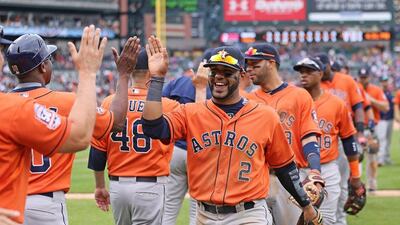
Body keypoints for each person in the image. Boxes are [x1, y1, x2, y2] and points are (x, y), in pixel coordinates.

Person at [141, 36, 322, 225]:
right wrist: (157, 79)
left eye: (227, 72)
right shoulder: (191, 112)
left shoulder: (265, 116)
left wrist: (306, 206)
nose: (219, 76)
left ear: (241, 75)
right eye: (214, 71)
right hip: (205, 215)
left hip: (248, 215)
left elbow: (285, 167)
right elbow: (152, 128)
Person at [6, 32, 141, 225]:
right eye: (49, 59)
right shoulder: (68, 101)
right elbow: (117, 123)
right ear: (43, 66)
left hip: (8, 205)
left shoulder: (4, 105)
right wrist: (124, 75)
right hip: (46, 205)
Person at [0, 25, 107, 224]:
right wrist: (87, 73)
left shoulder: (10, 102)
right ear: (42, 66)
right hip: (43, 204)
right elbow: (81, 136)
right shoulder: (12, 107)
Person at [88, 48, 181, 225]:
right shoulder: (168, 105)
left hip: (118, 187)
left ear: (128, 69)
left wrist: (100, 186)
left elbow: (98, 151)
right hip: (151, 185)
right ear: (151, 70)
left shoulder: (110, 102)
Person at [244, 44, 323, 225]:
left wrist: (315, 169)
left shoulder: (299, 96)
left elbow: (309, 137)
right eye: (248, 64)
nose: (249, 69)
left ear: (271, 63)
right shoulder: (247, 101)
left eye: (255, 64)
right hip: (256, 179)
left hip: (290, 180)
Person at [294, 57, 364, 224]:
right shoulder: (292, 101)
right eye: (301, 72)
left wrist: (355, 175)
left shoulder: (337, 104)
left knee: (326, 221)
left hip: (327, 169)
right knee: (293, 221)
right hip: (297, 170)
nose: (303, 75)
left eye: (309, 71)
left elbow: (348, 142)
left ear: (320, 74)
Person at [161, 49, 212, 225]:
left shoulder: (178, 82)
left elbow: (161, 105)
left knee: (168, 206)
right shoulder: (217, 87)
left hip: (176, 150)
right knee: (197, 207)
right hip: (200, 151)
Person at [314, 53, 365, 225]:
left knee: (343, 184)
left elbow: (358, 106)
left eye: (323, 67)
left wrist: (361, 133)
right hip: (320, 138)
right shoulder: (313, 83)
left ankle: (339, 220)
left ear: (329, 65)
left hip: (343, 137)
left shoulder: (347, 80)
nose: (320, 70)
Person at [358, 67, 389, 192]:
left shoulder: (376, 90)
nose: (363, 79)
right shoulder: (355, 89)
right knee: (357, 158)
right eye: (361, 77)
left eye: (365, 77)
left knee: (372, 158)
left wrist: (370, 100)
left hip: (372, 128)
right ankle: (357, 186)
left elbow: (386, 107)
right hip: (358, 129)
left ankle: (372, 185)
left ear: (369, 77)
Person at [377, 75, 394, 166]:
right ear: (380, 82)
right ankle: (380, 159)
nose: (385, 82)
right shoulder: (379, 92)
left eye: (386, 81)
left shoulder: (389, 93)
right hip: (382, 119)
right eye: (383, 81)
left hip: (390, 118)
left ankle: (386, 157)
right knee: (382, 139)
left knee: (388, 139)